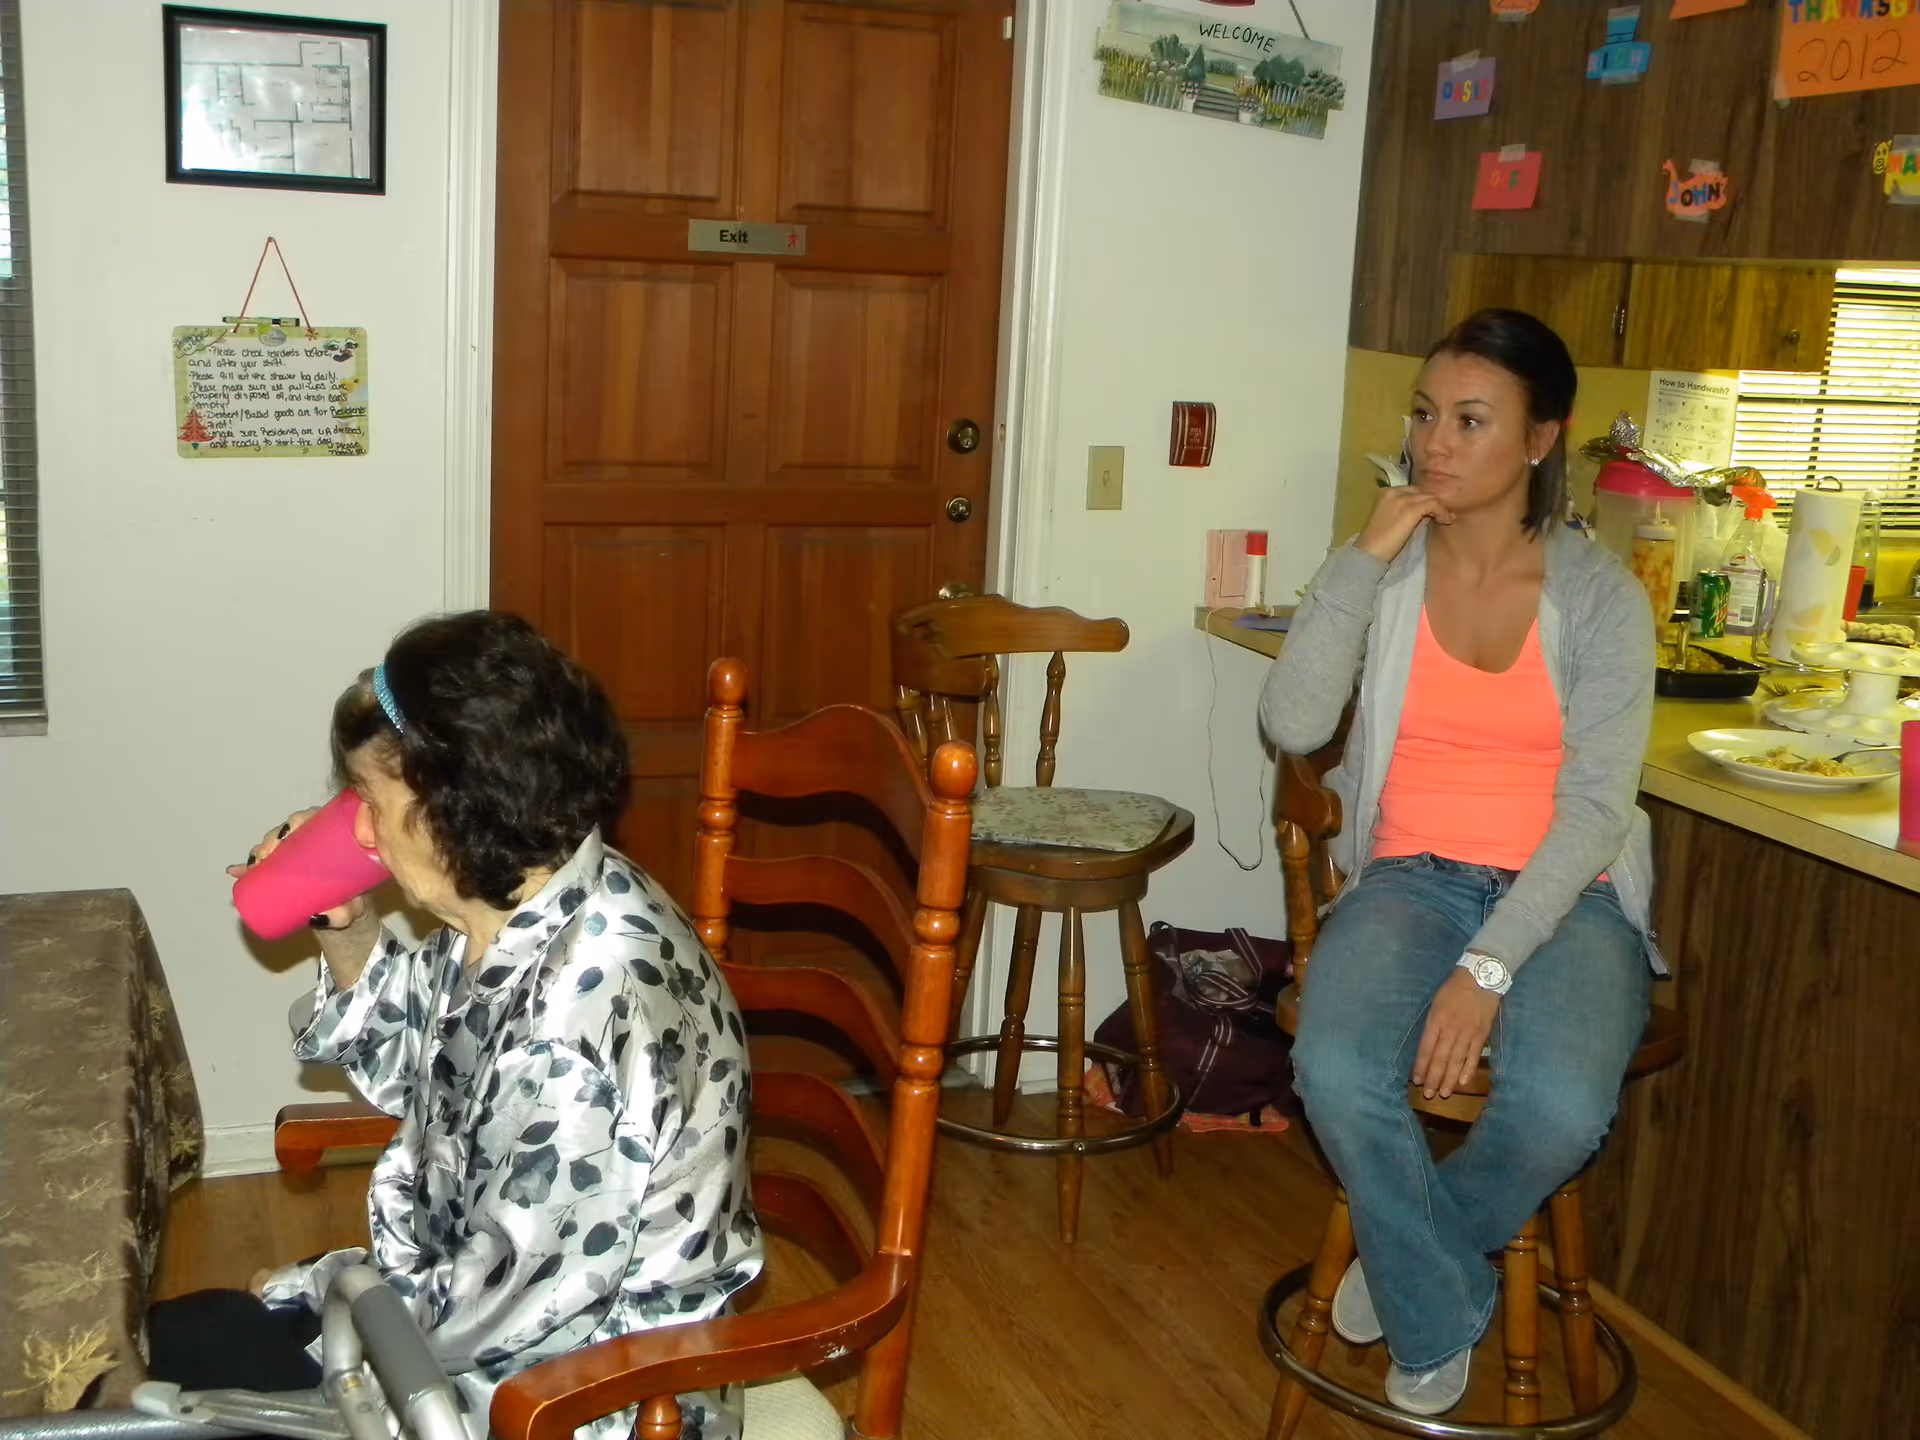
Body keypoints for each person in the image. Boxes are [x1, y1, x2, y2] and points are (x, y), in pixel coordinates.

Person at [157, 611, 761, 1440]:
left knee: (162, 1384)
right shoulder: (538, 896)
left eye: (368, 800)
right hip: (469, 1322)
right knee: (176, 1344)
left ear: (456, 809)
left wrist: (327, 1284)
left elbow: (490, 1318)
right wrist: (347, 927)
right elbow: (432, 1064)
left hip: (565, 1401)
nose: (356, 830)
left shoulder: (573, 1035)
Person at [1260, 309, 1661, 1417]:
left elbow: (1592, 814)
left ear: (1541, 440)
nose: (1436, 442)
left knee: (1561, 1109)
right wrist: (1364, 552)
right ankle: (1437, 1295)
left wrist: (1484, 971)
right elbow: (1295, 723)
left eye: (1471, 421)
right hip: (1408, 876)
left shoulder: (1601, 599)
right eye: (1428, 415)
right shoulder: (1384, 575)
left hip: (1564, 894)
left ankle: (1406, 1262)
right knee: (1336, 1070)